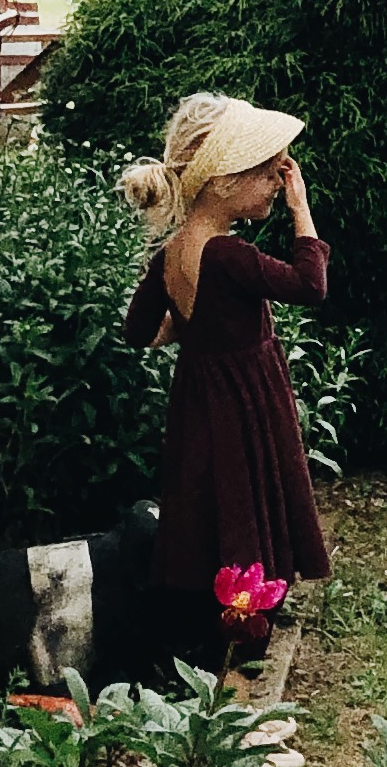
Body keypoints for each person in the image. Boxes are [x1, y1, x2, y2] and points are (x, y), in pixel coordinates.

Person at [120, 92, 332, 676]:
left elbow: (140, 332)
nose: (274, 181)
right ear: (221, 181)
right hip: (246, 397)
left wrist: (190, 324)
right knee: (249, 495)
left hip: (198, 399)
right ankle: (245, 635)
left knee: (213, 502)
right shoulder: (231, 255)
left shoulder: (171, 254)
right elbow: (310, 286)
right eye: (265, 172)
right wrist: (302, 211)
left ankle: (218, 619)